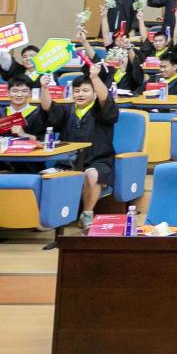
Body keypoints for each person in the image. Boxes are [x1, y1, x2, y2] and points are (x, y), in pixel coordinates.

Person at [47, 56, 121, 227]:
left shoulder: (100, 110)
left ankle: (87, 214)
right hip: (68, 162)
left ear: (94, 93)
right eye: (77, 91)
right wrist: (44, 87)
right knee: (46, 175)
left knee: (92, 174)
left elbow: (105, 99)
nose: (80, 94)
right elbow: (47, 108)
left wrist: (94, 77)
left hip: (99, 161)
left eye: (86, 90)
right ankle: (51, 216)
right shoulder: (67, 111)